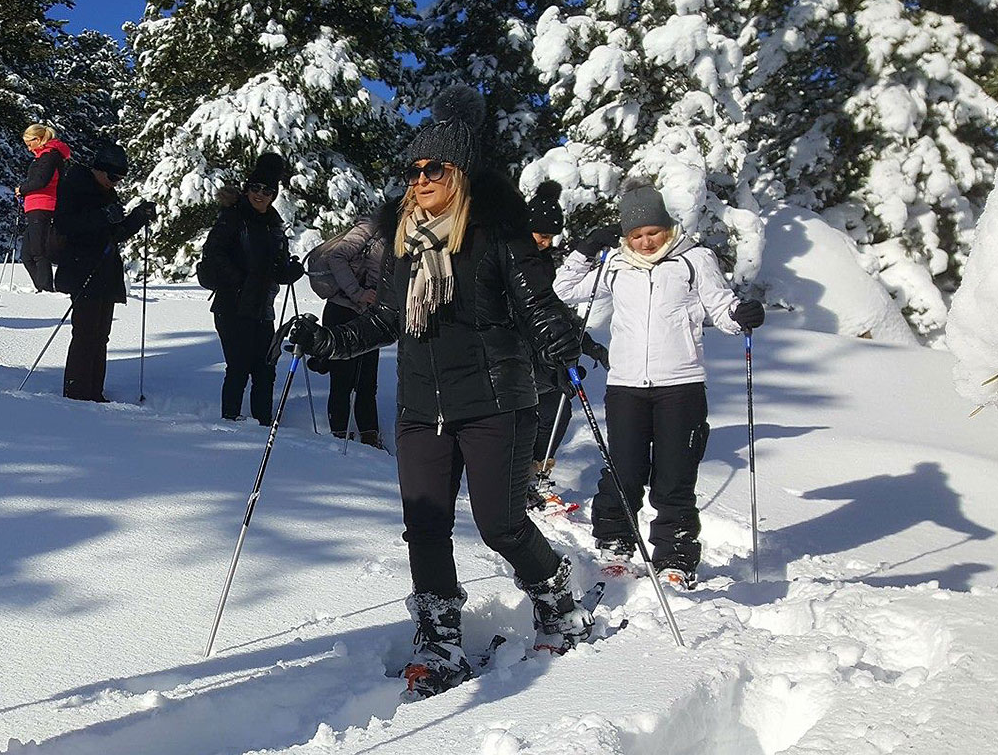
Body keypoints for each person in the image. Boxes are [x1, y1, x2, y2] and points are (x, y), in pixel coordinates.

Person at [287, 86, 591, 699]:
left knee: (500, 524)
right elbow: (388, 321)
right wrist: (330, 343)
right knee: (424, 526)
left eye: (434, 169)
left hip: (496, 401)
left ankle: (556, 594)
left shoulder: (495, 236)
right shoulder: (404, 244)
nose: (421, 179)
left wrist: (558, 336)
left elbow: (536, 303)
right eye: (413, 170)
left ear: (459, 174)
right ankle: (438, 635)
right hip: (423, 408)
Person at [553, 184, 764, 589]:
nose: (646, 242)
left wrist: (741, 315)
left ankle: (675, 556)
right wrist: (583, 251)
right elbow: (563, 289)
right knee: (623, 470)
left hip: (680, 386)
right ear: (626, 237)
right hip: (626, 386)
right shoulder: (613, 263)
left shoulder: (694, 260)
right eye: (636, 235)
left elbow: (720, 307)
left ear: (667, 227)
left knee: (675, 476)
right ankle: (615, 543)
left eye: (653, 232)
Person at [520, 180, 608, 515]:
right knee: (529, 414)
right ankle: (518, 480)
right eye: (540, 235)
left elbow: (558, 310)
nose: (545, 242)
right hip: (520, 351)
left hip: (550, 351)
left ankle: (538, 477)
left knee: (558, 409)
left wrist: (587, 345)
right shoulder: (512, 257)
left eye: (550, 237)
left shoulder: (547, 263)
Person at [198, 153, 304, 425]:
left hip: (262, 307)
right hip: (231, 305)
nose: (260, 194)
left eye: (267, 190)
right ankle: (230, 421)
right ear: (246, 189)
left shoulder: (274, 225)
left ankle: (263, 422)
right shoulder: (232, 218)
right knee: (239, 367)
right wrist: (241, 280)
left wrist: (290, 271)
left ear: (274, 194)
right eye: (255, 188)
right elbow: (213, 254)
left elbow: (278, 268)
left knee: (266, 368)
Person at [51, 143, 153, 401]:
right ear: (98, 169)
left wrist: (137, 218)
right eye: (112, 176)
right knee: (85, 333)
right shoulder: (75, 185)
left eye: (121, 178)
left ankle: (95, 391)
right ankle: (76, 392)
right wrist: (102, 216)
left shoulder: (108, 193)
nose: (116, 182)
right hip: (81, 268)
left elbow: (114, 234)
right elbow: (65, 224)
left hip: (105, 270)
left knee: (100, 335)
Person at [312, 200, 390, 448]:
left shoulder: (399, 239)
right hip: (342, 310)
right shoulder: (369, 228)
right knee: (342, 380)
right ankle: (339, 435)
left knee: (367, 381)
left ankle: (369, 435)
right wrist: (357, 293)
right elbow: (337, 258)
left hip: (370, 315)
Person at [16, 123, 71, 292]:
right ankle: (43, 288)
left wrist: (22, 189)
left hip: (43, 205)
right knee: (27, 254)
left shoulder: (49, 155)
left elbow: (42, 181)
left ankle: (46, 290)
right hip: (35, 206)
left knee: (38, 252)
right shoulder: (44, 155)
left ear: (38, 139)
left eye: (29, 143)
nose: (28, 147)